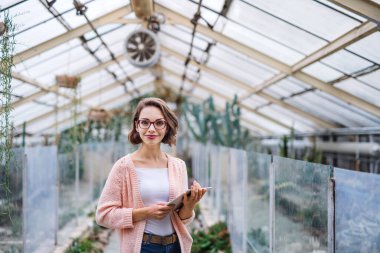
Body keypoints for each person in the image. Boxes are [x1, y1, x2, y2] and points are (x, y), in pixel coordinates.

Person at [96, 97, 207, 253]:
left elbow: (182, 218)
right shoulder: (123, 167)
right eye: (145, 122)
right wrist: (146, 213)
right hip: (143, 247)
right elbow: (103, 215)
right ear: (137, 125)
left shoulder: (178, 166)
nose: (151, 129)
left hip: (176, 246)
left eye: (159, 123)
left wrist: (189, 205)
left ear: (167, 126)